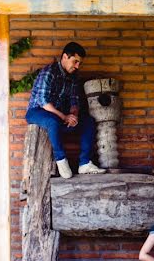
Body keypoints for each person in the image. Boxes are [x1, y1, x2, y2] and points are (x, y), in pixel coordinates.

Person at [25, 41, 107, 178]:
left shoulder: (74, 77)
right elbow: (43, 102)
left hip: (58, 114)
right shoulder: (49, 72)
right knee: (52, 122)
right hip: (37, 111)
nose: (77, 66)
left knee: (88, 121)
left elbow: (74, 100)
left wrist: (73, 115)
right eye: (75, 61)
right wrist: (64, 117)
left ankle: (85, 163)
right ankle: (61, 160)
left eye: (79, 63)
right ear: (64, 57)